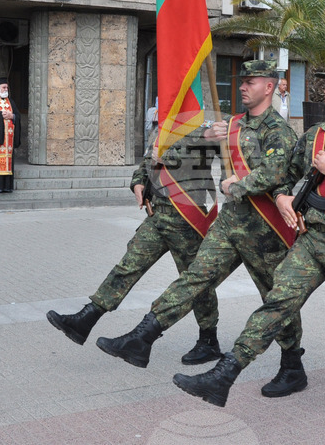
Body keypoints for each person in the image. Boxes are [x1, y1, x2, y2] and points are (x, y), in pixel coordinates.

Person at [172, 59, 325, 434]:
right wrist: (282, 197)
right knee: (277, 303)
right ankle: (225, 374)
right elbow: (286, 174)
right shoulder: (314, 134)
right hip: (312, 238)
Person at [95, 59, 308, 399]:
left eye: (251, 82)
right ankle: (142, 338)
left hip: (264, 231)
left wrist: (234, 186)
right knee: (195, 278)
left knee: (274, 299)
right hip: (229, 226)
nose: (242, 86)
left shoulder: (277, 131)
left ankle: (292, 365)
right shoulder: (232, 124)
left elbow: (275, 173)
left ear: (269, 87)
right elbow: (180, 152)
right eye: (242, 81)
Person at [46, 121, 224, 363]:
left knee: (195, 283)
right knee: (128, 267)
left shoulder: (202, 130)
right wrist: (138, 181)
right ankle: (86, 319)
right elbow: (149, 160)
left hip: (186, 218)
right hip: (158, 215)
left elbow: (190, 156)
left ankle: (209, 340)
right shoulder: (164, 124)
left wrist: (172, 149)